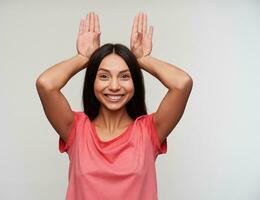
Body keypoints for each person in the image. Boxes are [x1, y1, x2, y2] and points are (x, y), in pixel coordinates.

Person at [36, 11, 193, 200]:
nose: (114, 86)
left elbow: (182, 83)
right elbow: (46, 84)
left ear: (135, 82)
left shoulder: (150, 131)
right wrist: (84, 58)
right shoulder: (75, 129)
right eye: (103, 76)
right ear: (92, 82)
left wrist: (143, 60)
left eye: (125, 76)